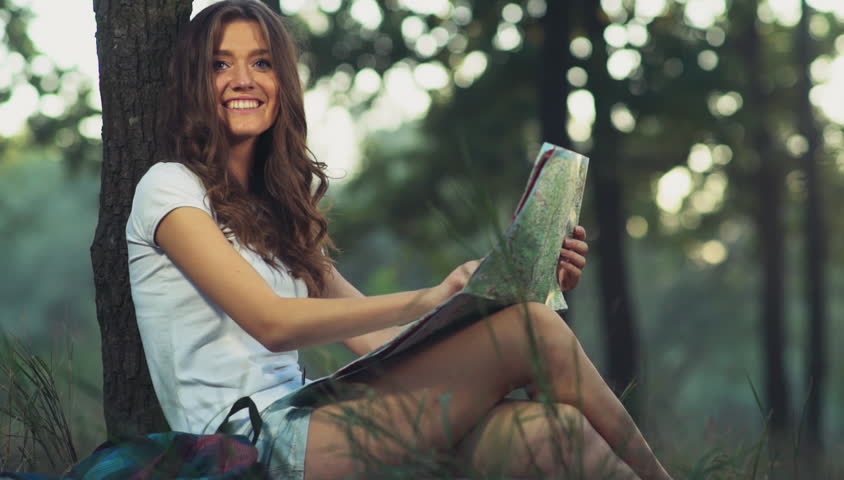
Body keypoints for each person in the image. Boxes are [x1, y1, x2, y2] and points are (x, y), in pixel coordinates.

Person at [126, 1, 672, 479]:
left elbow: (382, 342)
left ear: (281, 84)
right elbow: (271, 323)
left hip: (316, 415)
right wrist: (431, 295)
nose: (243, 79)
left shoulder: (278, 216)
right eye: (222, 63)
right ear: (195, 82)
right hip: (251, 447)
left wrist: (512, 286)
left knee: (553, 432)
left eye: (261, 62)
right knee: (533, 333)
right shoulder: (169, 187)